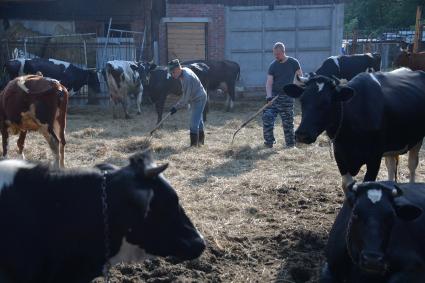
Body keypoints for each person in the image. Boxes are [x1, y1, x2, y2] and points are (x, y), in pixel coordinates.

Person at [263, 42, 303, 148]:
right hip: (274, 98)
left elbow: (300, 78)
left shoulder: (293, 63)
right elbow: (269, 83)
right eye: (274, 54)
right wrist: (268, 97)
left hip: (287, 97)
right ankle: (269, 142)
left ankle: (290, 145)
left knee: (288, 122)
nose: (276, 56)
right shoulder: (273, 66)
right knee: (267, 116)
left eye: (278, 54)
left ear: (283, 52)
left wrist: (297, 89)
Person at [168, 59, 207, 147]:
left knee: (194, 123)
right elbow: (186, 94)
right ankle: (201, 143)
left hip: (199, 98)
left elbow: (185, 99)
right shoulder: (183, 72)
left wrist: (175, 107)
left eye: (173, 72)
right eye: (171, 73)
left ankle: (193, 147)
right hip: (195, 97)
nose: (172, 74)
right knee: (199, 121)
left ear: (178, 68)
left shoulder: (187, 78)